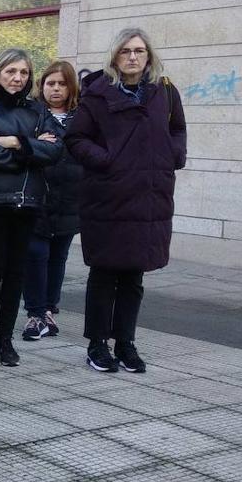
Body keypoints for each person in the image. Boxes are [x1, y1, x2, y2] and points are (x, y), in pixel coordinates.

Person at [66, 28, 187, 372]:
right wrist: (108, 161)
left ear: (148, 55)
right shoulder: (98, 94)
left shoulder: (164, 92)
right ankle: (96, 344)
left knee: (134, 276)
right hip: (108, 198)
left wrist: (172, 155)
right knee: (105, 274)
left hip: (149, 199)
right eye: (126, 51)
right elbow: (76, 140)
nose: (133, 57)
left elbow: (178, 129)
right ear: (115, 56)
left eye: (139, 51)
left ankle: (125, 343)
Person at [0, 49, 64, 367]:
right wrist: (30, 148)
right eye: (10, 71)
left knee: (16, 272)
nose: (17, 78)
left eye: (23, 72)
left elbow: (54, 151)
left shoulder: (38, 110)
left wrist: (15, 142)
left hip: (28, 202)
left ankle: (6, 339)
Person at [22, 61, 82, 341]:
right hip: (37, 196)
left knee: (58, 256)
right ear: (41, 86)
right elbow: (19, 145)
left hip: (71, 198)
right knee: (36, 255)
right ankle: (35, 313)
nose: (55, 88)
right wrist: (34, 143)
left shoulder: (81, 117)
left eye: (61, 83)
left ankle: (49, 310)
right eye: (50, 83)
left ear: (71, 86)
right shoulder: (32, 113)